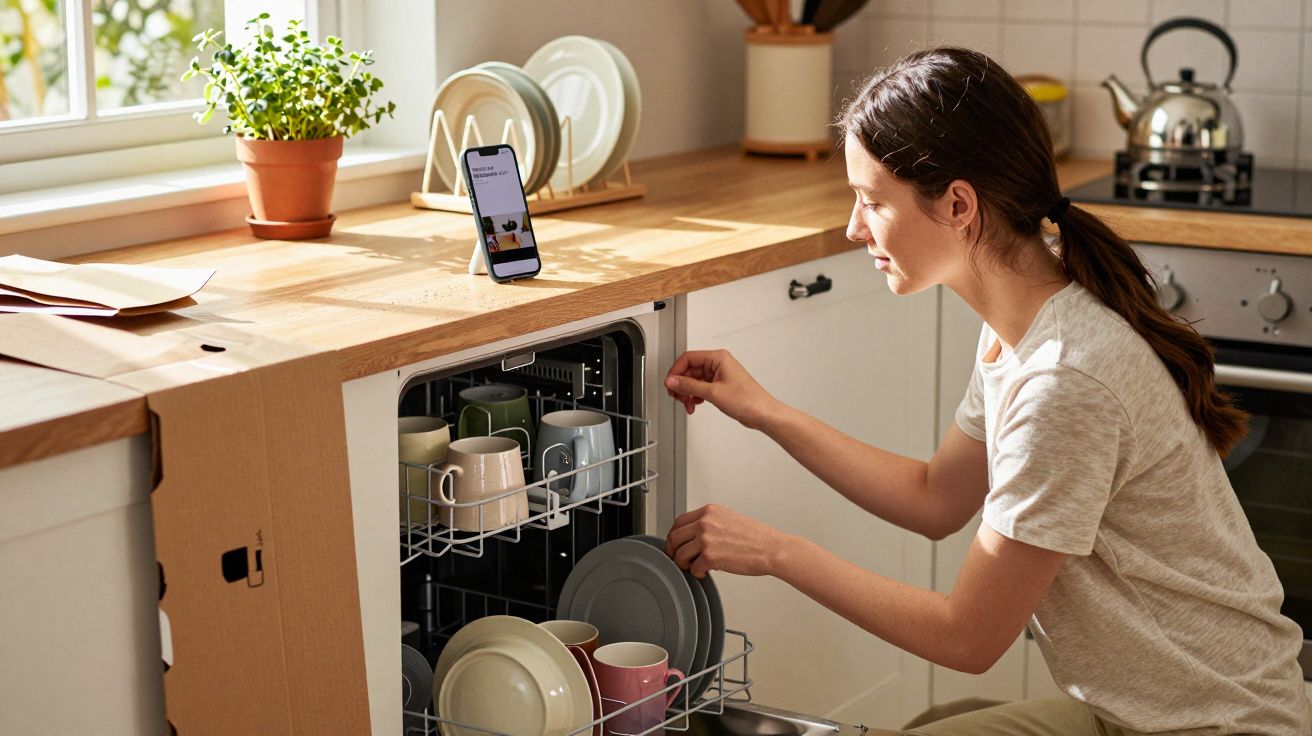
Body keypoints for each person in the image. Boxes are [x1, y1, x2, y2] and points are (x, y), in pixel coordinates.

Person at [662, 47, 1311, 735]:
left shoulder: (1063, 381)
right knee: (944, 720)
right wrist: (767, 412)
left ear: (959, 205)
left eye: (873, 201)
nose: (856, 228)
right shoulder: (1024, 320)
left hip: (1217, 725)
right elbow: (937, 497)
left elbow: (966, 639)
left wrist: (776, 552)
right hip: (1134, 711)